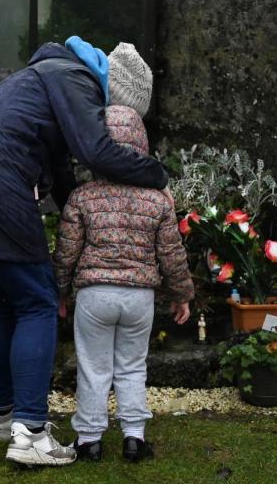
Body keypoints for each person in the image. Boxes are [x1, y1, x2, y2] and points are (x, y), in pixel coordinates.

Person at [0, 36, 168, 466]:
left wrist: (89, 212)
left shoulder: (46, 76)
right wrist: (156, 174)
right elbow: (97, 151)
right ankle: (31, 433)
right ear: (114, 98)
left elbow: (61, 171)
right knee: (38, 302)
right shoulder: (75, 79)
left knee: (2, 302)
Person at [53, 103, 194, 463]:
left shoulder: (82, 197)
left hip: (94, 295)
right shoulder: (157, 199)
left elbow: (67, 252)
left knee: (94, 367)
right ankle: (134, 437)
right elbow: (171, 254)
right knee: (132, 366)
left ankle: (89, 440)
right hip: (139, 298)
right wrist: (182, 295)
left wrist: (60, 292)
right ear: (141, 146)